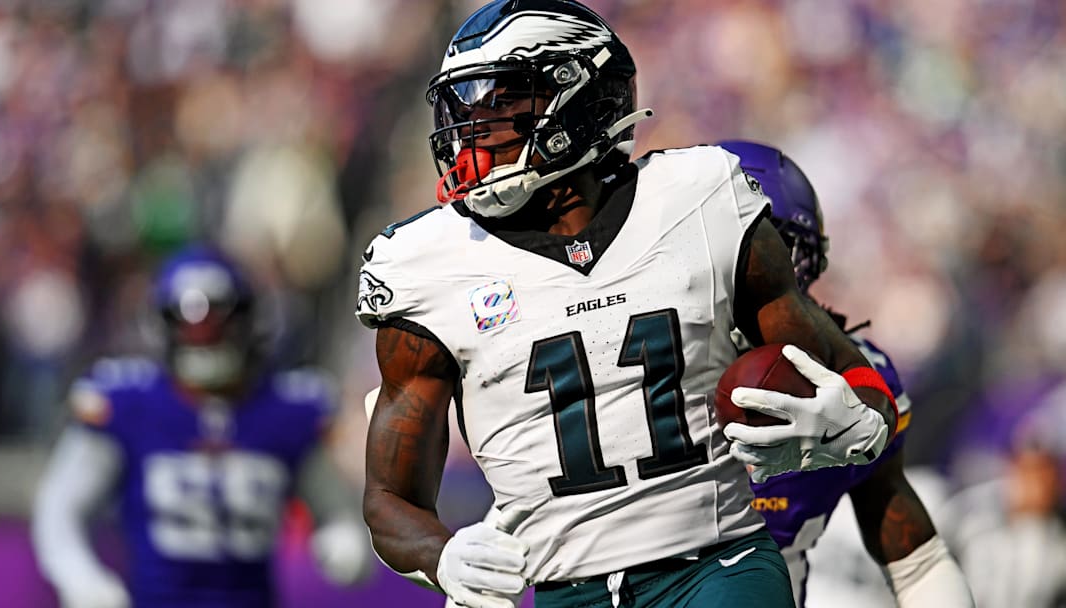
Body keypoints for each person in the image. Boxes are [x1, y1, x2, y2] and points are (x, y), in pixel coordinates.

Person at [356, 2, 899, 607]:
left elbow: (850, 371)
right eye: (467, 107)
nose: (475, 128)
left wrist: (856, 423)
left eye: (504, 103)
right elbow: (390, 500)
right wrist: (443, 556)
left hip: (718, 566)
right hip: (566, 592)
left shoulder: (700, 200)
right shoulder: (427, 264)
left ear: (580, 98)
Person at [32, 246, 371, 608]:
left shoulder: (288, 407)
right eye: (191, 326)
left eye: (217, 324)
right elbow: (60, 508)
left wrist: (345, 537)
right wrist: (81, 577)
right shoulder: (127, 401)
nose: (205, 338)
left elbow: (334, 507)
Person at [717, 140, 974, 608]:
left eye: (772, 250)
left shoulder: (852, 381)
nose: (755, 272)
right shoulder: (642, 372)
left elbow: (917, 561)